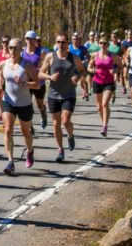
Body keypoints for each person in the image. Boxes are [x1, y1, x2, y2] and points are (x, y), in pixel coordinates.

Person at [39, 34, 86, 162]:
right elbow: (40, 73)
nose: (60, 44)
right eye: (58, 42)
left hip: (68, 94)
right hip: (53, 94)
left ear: (67, 44)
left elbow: (82, 70)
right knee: (56, 124)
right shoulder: (50, 56)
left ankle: (70, 136)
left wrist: (77, 78)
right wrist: (50, 77)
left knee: (65, 121)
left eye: (63, 42)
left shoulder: (74, 58)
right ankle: (60, 149)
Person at [0, 38, 41, 174]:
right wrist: (0, 86)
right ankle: (10, 162)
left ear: (21, 50)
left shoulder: (27, 65)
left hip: (24, 103)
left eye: (16, 48)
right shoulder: (4, 63)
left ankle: (29, 151)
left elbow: (37, 84)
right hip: (8, 101)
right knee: (8, 129)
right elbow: (0, 76)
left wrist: (23, 83)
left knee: (25, 132)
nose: (12, 51)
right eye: (11, 48)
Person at [92, 36, 125, 136]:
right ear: (99, 44)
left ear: (108, 45)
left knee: (105, 104)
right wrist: (92, 70)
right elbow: (89, 66)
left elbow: (121, 66)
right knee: (99, 108)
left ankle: (104, 127)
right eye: (101, 43)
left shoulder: (113, 55)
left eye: (105, 43)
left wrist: (115, 71)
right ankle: (104, 123)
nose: (102, 45)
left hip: (109, 82)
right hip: (97, 81)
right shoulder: (95, 55)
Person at [21, 31, 49, 130]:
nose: (29, 41)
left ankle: (43, 114)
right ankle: (30, 126)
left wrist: (43, 71)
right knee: (27, 105)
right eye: (27, 39)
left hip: (38, 83)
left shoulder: (41, 52)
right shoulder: (22, 52)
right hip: (27, 82)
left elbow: (48, 64)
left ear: (35, 40)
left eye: (31, 39)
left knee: (40, 105)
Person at [70, 32, 91, 101]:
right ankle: (72, 94)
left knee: (82, 80)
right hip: (72, 67)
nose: (75, 41)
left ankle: (86, 92)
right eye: (73, 39)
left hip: (81, 67)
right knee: (73, 82)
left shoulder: (83, 48)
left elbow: (88, 58)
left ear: (78, 39)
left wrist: (85, 61)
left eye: (76, 39)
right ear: (71, 39)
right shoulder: (69, 47)